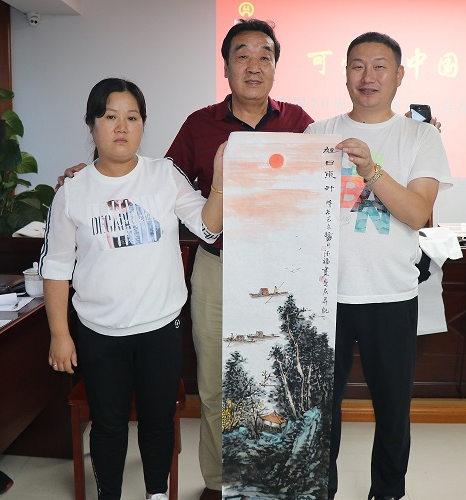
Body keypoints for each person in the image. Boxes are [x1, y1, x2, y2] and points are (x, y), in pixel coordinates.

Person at [57, 20, 313, 500]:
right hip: (218, 266)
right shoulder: (199, 125)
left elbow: (325, 177)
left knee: (278, 379)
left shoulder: (300, 122)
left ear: (276, 66)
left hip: (282, 270)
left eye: (264, 56)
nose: (253, 66)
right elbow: (156, 180)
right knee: (215, 384)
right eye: (242, 55)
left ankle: (271, 482)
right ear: (226, 66)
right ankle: (217, 483)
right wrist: (91, 175)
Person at [40, 77, 223, 500]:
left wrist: (220, 181)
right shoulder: (73, 192)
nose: (122, 127)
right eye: (110, 117)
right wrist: (60, 334)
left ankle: (156, 493)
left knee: (158, 421)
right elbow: (56, 267)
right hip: (100, 333)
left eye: (133, 117)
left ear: (143, 125)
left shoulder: (164, 175)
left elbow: (208, 228)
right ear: (92, 125)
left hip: (160, 329)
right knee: (108, 424)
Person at [305, 32, 452, 500]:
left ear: (399, 75)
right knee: (318, 408)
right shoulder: (317, 134)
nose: (367, 77)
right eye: (357, 66)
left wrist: (370, 169)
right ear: (345, 72)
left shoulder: (421, 136)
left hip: (390, 294)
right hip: (324, 296)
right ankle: (319, 489)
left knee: (392, 409)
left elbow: (416, 212)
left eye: (379, 66)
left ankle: (387, 491)